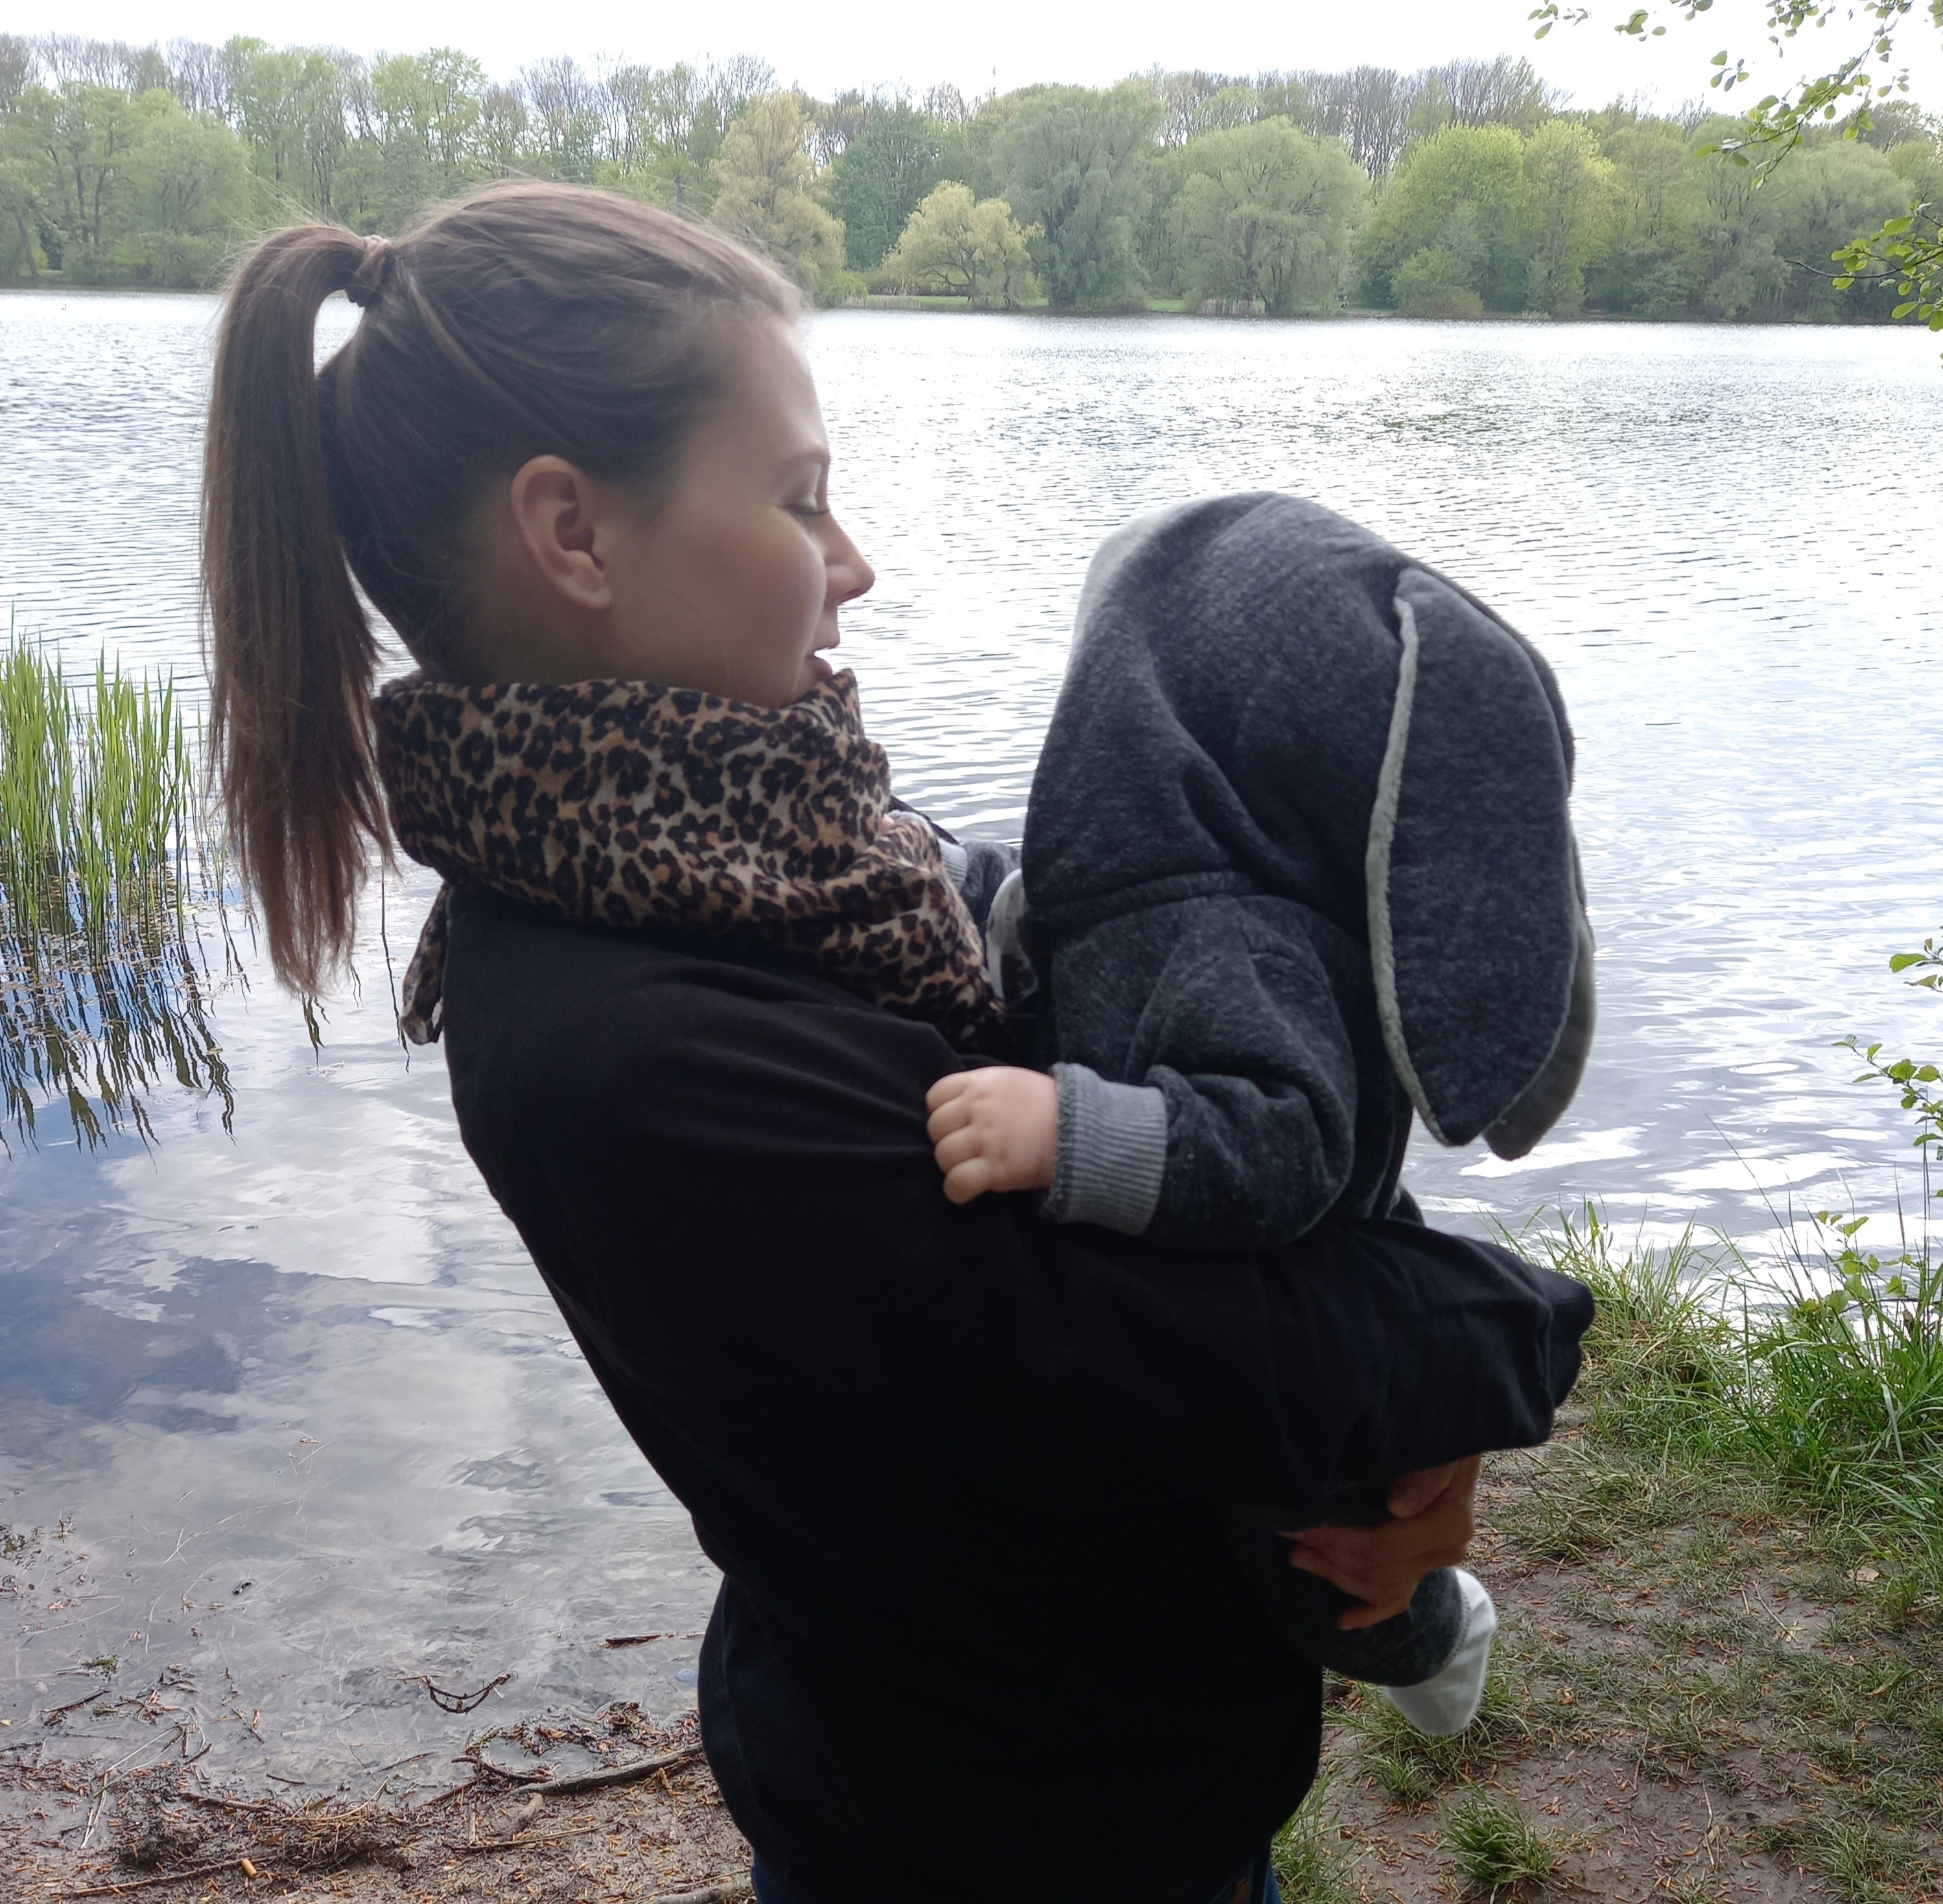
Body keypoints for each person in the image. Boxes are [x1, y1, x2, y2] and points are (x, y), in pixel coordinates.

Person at [201, 180, 1592, 1904]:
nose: (851, 564)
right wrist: (1499, 1337)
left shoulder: (778, 858)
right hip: (989, 1829)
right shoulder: (627, 1050)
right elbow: (1161, 1361)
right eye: (798, 499)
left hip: (1087, 1770)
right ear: (573, 533)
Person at [923, 491, 1598, 1732]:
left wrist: (1072, 1132)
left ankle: (1437, 1635)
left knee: (1324, 1564)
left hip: (1303, 1300)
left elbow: (1284, 1146)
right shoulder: (1144, 871)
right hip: (1251, 1328)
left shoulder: (1241, 938)